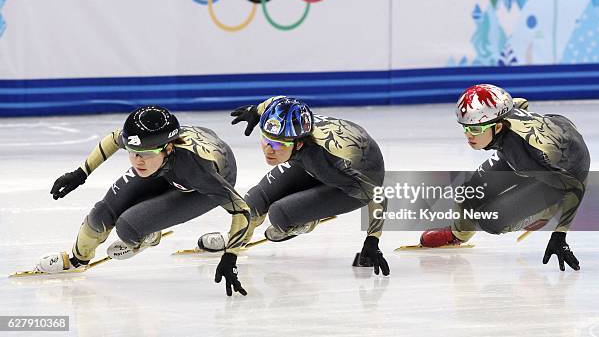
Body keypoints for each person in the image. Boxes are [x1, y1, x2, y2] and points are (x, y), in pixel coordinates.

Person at [36, 105, 250, 296]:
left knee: (128, 227)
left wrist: (231, 256)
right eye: (132, 152)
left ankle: (148, 234)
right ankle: (76, 259)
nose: (137, 160)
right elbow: (112, 138)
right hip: (166, 166)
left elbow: (241, 210)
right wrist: (80, 173)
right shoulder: (146, 145)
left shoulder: (198, 169)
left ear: (168, 148)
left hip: (205, 180)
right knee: (102, 213)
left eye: (145, 153)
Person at [198, 96, 390, 276]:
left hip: (359, 176)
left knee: (280, 214)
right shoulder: (291, 132)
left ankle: (303, 221)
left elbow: (378, 194)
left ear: (298, 144)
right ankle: (235, 236)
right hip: (312, 160)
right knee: (255, 199)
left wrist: (372, 239)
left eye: (278, 145)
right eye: (266, 139)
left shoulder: (330, 161)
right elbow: (277, 102)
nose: (269, 150)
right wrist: (255, 111)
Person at [419, 84, 590, 271]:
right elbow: (521, 103)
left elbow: (575, 187)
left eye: (476, 130)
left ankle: (547, 210)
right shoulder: (505, 116)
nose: (468, 135)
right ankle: (458, 234)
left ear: (498, 126)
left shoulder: (529, 155)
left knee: (491, 222)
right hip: (537, 146)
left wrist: (560, 236)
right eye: (465, 128)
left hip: (566, 170)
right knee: (470, 191)